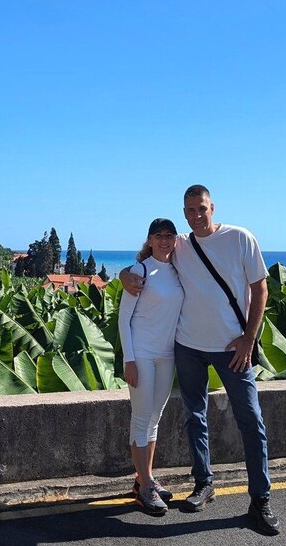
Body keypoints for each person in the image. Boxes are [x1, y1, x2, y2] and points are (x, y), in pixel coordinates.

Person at [120, 185, 281, 535]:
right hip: (188, 346)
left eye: (201, 209)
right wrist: (123, 275)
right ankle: (203, 483)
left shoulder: (240, 238)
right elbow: (147, 259)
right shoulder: (179, 242)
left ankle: (261, 499)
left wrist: (248, 340)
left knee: (250, 420)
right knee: (194, 416)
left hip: (231, 348)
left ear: (212, 207)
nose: (196, 216)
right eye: (190, 210)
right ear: (184, 212)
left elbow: (261, 289)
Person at [118, 218, 184, 515]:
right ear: (149, 239)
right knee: (141, 418)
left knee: (155, 418)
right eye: (159, 236)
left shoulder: (178, 269)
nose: (165, 240)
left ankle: (147, 478)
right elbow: (124, 319)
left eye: (169, 235)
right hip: (142, 353)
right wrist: (129, 360)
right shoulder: (139, 271)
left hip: (166, 354)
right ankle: (144, 486)